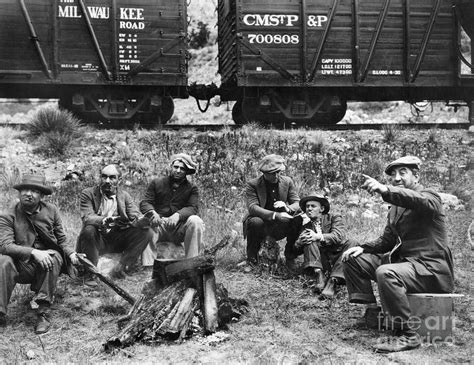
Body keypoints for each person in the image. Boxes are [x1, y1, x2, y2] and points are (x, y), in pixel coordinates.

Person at [342, 156, 454, 353]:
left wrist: (385, 190)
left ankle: (408, 335)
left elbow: (416, 200)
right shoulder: (395, 207)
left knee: (387, 273)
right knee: (353, 259)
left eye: (403, 172)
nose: (397, 178)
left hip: (430, 269)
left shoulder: (430, 197)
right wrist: (364, 248)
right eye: (393, 174)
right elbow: (387, 241)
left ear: (416, 176)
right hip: (408, 266)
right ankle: (372, 314)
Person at [0, 174, 79, 334]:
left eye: (34, 191)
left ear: (42, 195)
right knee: (3, 260)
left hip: (48, 266)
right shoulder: (7, 215)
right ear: (19, 193)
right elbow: (5, 245)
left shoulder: (51, 211)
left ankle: (43, 313)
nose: (28, 194)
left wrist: (72, 254)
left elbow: (61, 240)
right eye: (25, 190)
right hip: (20, 266)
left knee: (54, 255)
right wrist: (35, 252)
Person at [76, 164, 154, 282]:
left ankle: (121, 268)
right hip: (97, 238)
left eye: (112, 177)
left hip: (116, 239)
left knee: (147, 233)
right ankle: (91, 273)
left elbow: (135, 214)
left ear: (119, 180)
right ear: (100, 178)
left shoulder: (124, 196)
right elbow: (87, 217)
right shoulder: (88, 194)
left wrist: (143, 220)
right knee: (89, 229)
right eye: (104, 177)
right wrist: (103, 220)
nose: (107, 181)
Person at [285, 192, 355, 298]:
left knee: (353, 243)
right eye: (307, 206)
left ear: (321, 209)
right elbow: (295, 251)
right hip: (320, 261)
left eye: (313, 206)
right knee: (309, 239)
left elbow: (338, 236)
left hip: (337, 256)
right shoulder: (306, 226)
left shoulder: (333, 218)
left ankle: (333, 282)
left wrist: (318, 236)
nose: (309, 209)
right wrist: (299, 242)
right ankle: (319, 277)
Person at [140, 153, 204, 261]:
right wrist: (153, 213)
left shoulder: (192, 188)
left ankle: (191, 265)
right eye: (176, 167)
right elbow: (145, 202)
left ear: (187, 172)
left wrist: (178, 215)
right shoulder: (157, 182)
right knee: (145, 221)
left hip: (178, 228)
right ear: (171, 167)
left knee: (196, 221)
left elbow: (193, 208)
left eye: (182, 169)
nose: (178, 171)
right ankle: (148, 267)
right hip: (158, 225)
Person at [244, 154, 300, 269]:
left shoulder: (287, 181)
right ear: (264, 173)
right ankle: (251, 259)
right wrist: (275, 215)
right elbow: (253, 207)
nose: (276, 175)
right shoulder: (253, 185)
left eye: (278, 172)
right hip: (262, 225)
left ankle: (290, 257)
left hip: (280, 226)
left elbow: (297, 203)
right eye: (272, 173)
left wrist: (287, 208)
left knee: (297, 220)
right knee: (255, 221)